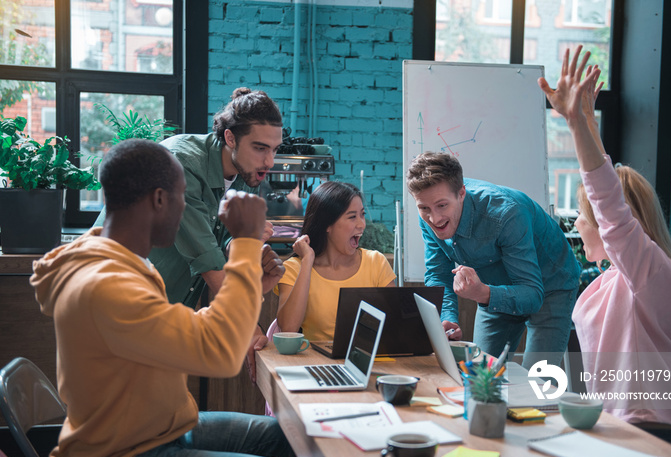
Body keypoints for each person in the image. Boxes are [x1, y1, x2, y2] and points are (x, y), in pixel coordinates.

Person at [30, 139, 300, 457]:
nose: (186, 209)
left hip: (158, 430)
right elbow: (221, 353)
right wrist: (244, 241)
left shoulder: (128, 263)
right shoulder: (107, 285)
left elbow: (188, 334)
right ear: (159, 199)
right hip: (123, 455)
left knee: (296, 439)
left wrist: (251, 288)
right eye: (184, 197)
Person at [539, 45, 671, 457]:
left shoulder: (651, 273)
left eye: (583, 215)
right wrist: (588, 122)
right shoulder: (615, 277)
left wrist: (576, 126)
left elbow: (610, 204)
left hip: (658, 437)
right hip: (615, 428)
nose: (577, 223)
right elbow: (609, 195)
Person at [95, 87, 285, 381]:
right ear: (230, 138)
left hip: (162, 315)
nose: (269, 162)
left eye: (274, 150)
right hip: (121, 312)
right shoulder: (182, 165)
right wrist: (254, 327)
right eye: (260, 148)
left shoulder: (245, 173)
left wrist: (248, 249)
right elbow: (213, 271)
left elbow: (219, 247)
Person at [406, 152, 581, 369]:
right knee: (481, 377)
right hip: (494, 289)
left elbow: (534, 295)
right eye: (424, 208)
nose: (434, 218)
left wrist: (482, 293)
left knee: (536, 386)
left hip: (551, 286)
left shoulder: (506, 214)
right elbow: (437, 273)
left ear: (461, 193)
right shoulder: (428, 211)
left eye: (442, 205)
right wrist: (447, 318)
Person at [276, 181, 396, 341]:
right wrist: (307, 261)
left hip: (366, 361)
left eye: (362, 214)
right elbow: (288, 329)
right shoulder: (294, 268)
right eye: (352, 217)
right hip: (314, 363)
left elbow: (395, 327)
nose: (362, 224)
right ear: (327, 224)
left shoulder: (376, 263)